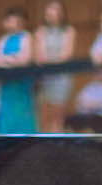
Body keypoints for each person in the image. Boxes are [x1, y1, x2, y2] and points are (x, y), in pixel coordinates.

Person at [34, 0, 78, 132]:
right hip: (44, 79)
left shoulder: (69, 31)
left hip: (62, 78)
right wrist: (51, 60)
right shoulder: (40, 31)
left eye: (55, 9)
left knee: (58, 118)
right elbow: (39, 57)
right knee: (43, 118)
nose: (51, 12)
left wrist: (50, 60)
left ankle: (58, 142)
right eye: (49, 9)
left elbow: (66, 55)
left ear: (62, 13)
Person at [0, 9, 38, 134]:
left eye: (16, 21)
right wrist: (13, 58)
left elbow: (25, 59)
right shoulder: (2, 40)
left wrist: (5, 60)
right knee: (6, 117)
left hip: (21, 85)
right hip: (6, 86)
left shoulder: (26, 37)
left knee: (22, 116)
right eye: (9, 20)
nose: (13, 24)